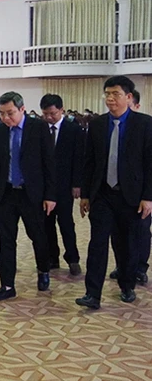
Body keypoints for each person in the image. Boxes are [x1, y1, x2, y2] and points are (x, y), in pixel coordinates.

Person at [76, 76, 152, 310]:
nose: (110, 98)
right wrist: (86, 194)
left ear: (129, 97)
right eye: (107, 94)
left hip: (131, 197)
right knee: (97, 243)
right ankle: (92, 293)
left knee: (127, 244)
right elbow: (89, 162)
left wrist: (148, 197)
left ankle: (127, 285)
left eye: (116, 94)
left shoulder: (145, 124)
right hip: (103, 195)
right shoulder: (97, 124)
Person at [0, 92, 56, 301]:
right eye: (2, 114)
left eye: (10, 113)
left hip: (32, 193)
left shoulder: (38, 128)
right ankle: (7, 284)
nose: (6, 118)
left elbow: (49, 164)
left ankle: (43, 270)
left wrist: (50, 195)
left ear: (22, 109)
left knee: (38, 235)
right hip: (7, 193)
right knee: (7, 240)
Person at [40, 94, 84, 276]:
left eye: (53, 113)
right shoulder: (39, 129)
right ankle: (52, 257)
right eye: (46, 114)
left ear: (61, 110)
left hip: (65, 186)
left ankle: (73, 258)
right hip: (44, 187)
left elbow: (79, 159)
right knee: (46, 224)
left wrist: (77, 184)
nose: (49, 117)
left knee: (66, 223)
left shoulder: (74, 130)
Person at [109, 88, 150, 284]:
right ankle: (122, 266)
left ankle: (140, 268)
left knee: (140, 231)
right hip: (118, 191)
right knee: (118, 233)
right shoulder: (111, 125)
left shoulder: (144, 125)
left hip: (140, 192)